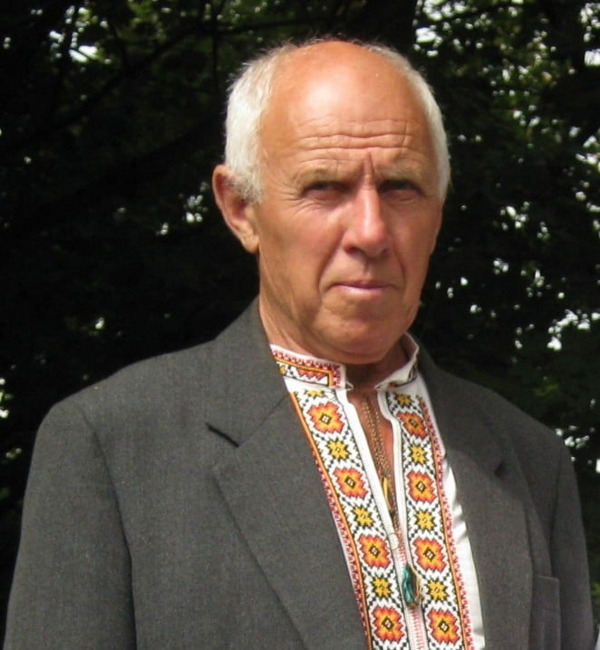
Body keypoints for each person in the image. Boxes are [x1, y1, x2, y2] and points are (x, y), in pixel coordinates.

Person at [4, 39, 594, 650]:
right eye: (325, 188)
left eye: (401, 187)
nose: (371, 231)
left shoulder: (529, 458)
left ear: (438, 211)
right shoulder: (114, 444)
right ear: (241, 208)